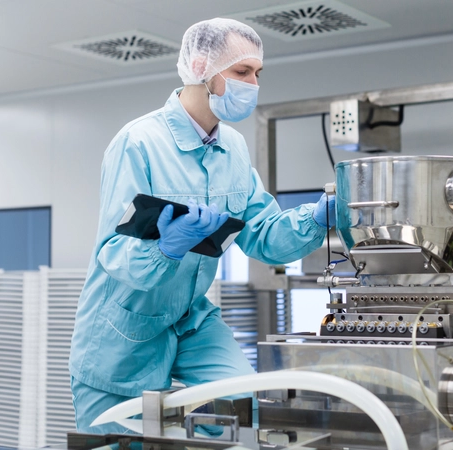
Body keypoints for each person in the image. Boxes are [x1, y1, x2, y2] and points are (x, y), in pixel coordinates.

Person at [69, 17, 336, 433]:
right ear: (200, 69)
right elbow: (114, 254)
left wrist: (318, 217)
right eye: (242, 72)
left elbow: (262, 236)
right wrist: (165, 249)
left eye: (258, 74)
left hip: (190, 315)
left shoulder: (232, 147)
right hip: (125, 325)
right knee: (122, 439)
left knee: (238, 407)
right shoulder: (138, 142)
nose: (253, 84)